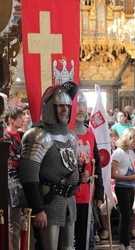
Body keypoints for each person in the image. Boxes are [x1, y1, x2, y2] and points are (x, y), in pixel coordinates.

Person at [19, 81, 80, 249]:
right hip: (48, 202)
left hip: (68, 200)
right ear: (49, 107)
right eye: (59, 106)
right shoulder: (37, 135)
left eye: (67, 106)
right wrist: (38, 209)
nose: (64, 109)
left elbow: (72, 165)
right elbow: (28, 176)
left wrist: (81, 175)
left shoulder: (71, 136)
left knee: (68, 248)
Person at [74, 91, 104, 249]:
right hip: (68, 195)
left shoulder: (90, 134)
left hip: (88, 194)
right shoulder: (66, 133)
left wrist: (99, 193)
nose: (80, 109)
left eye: (83, 105)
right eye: (77, 105)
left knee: (87, 239)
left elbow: (97, 165)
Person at [111, 128, 135, 249]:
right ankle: (126, 244)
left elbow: (131, 169)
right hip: (121, 186)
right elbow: (112, 174)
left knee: (127, 214)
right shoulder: (118, 153)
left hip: (130, 186)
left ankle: (123, 241)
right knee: (126, 215)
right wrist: (130, 178)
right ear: (127, 139)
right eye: (134, 141)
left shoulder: (131, 152)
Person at [4, 106, 24, 250]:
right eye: (19, 117)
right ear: (11, 119)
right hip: (11, 182)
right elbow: (11, 161)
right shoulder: (5, 137)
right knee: (13, 222)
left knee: (20, 221)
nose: (22, 119)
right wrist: (20, 159)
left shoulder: (22, 135)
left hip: (22, 181)